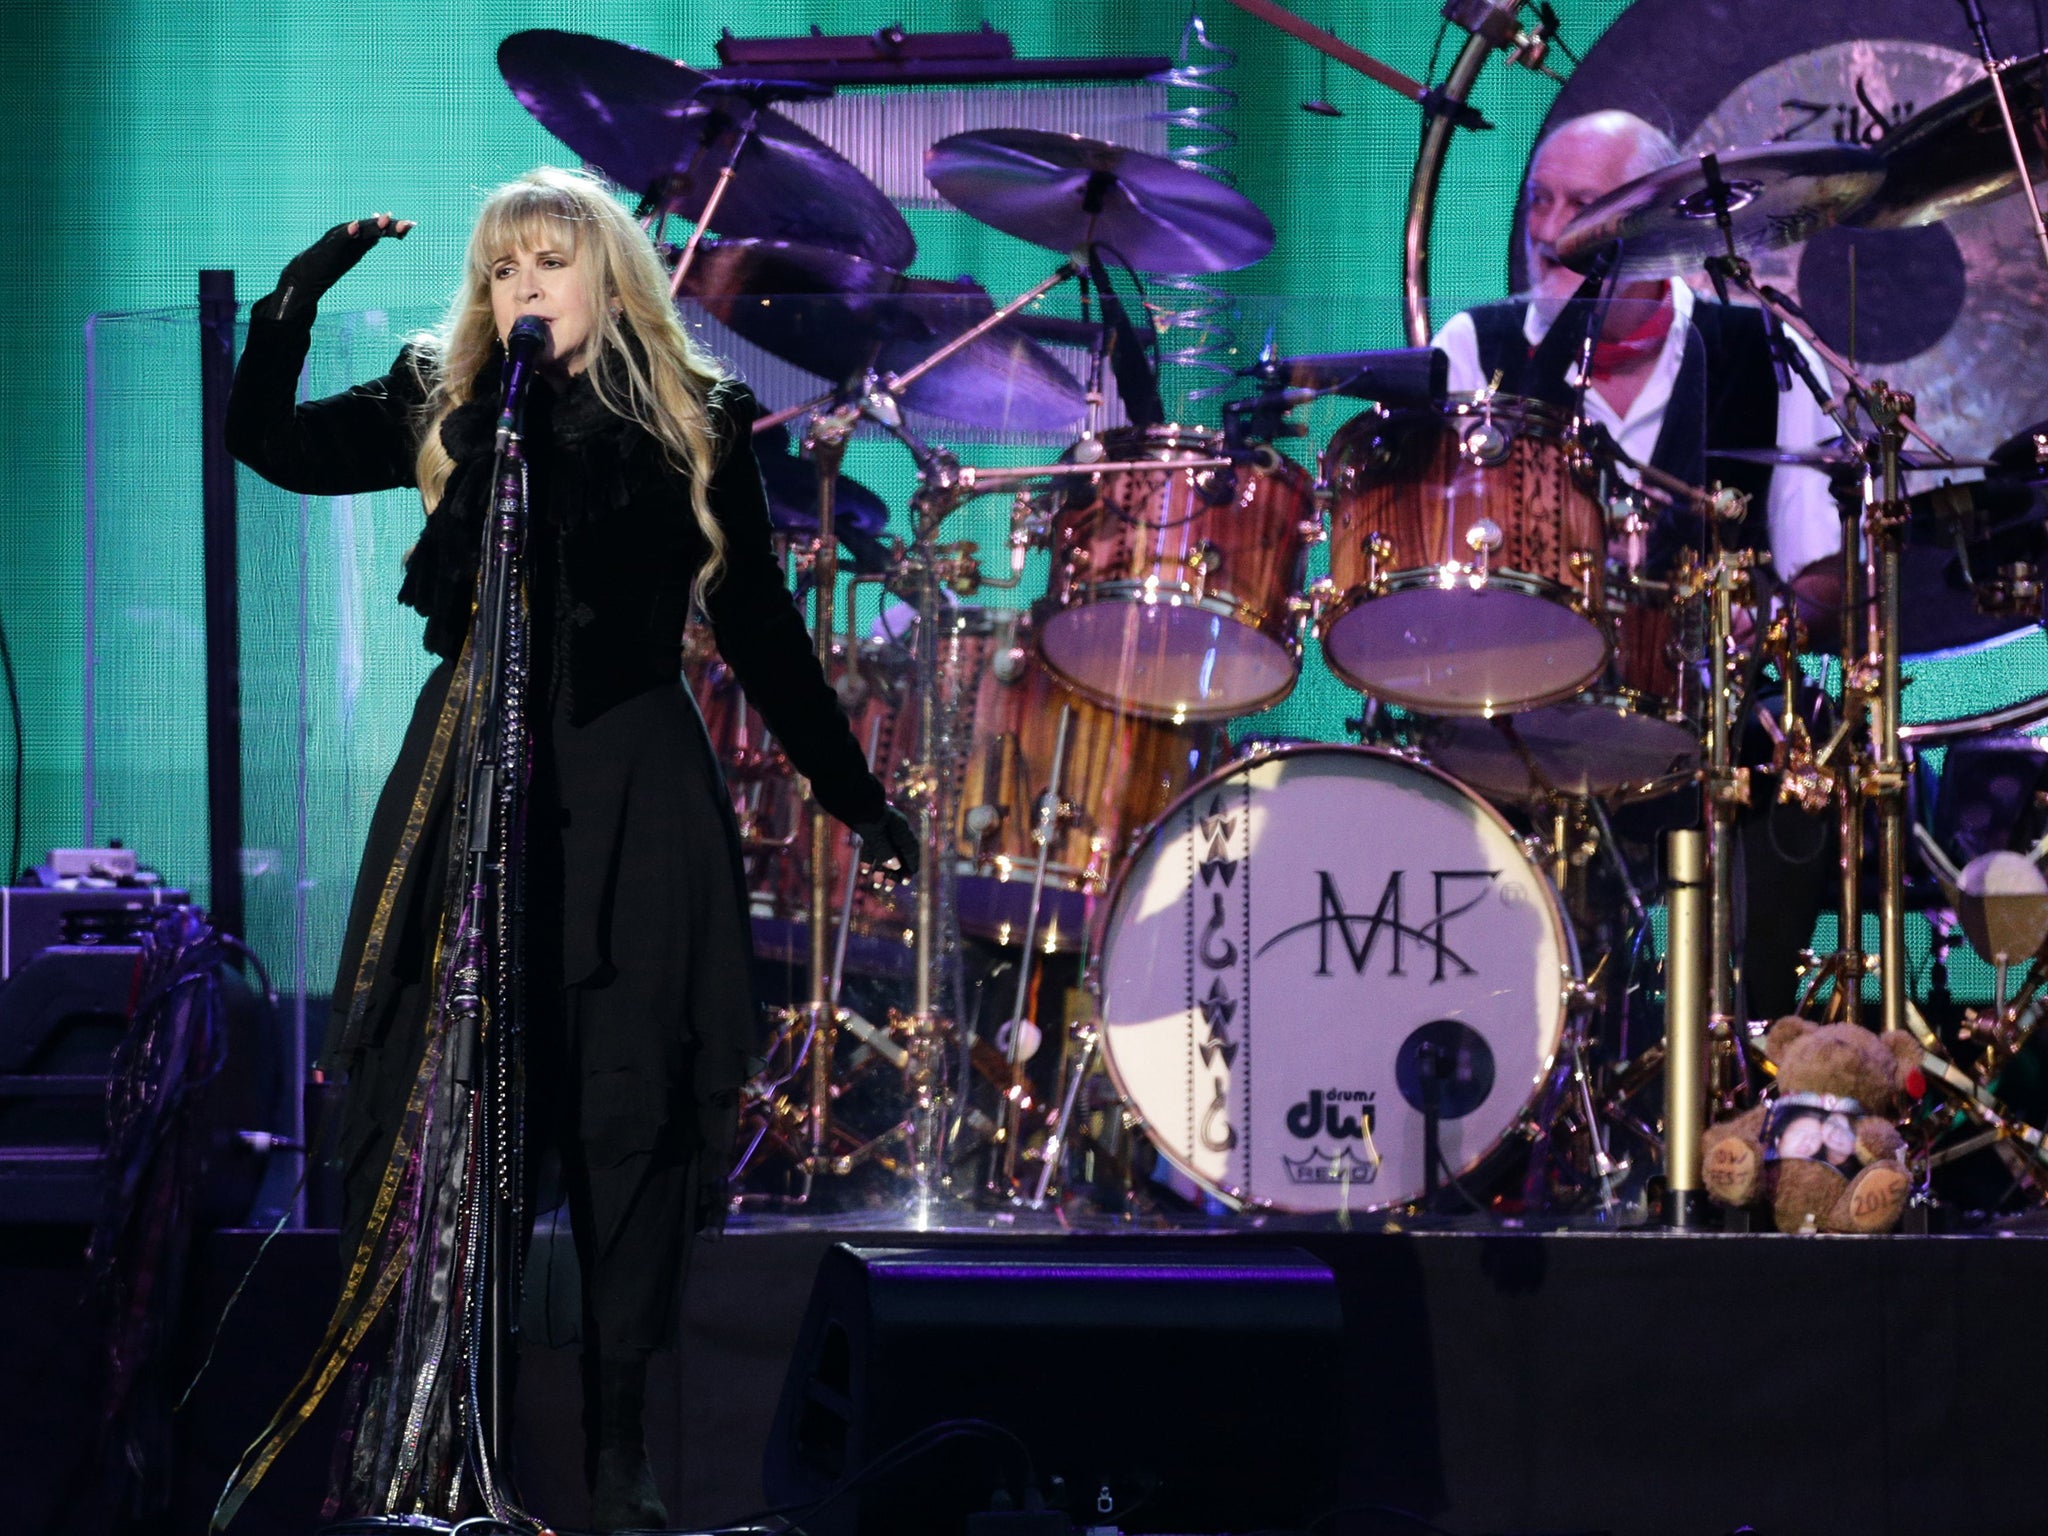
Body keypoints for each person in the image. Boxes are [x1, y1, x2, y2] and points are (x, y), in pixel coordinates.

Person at [220, 168, 918, 1531]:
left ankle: (618, 1462)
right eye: (500, 271)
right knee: (463, 1102)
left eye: (547, 263)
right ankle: (453, 1451)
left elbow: (763, 629)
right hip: (472, 772)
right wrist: (293, 301)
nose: (521, 290)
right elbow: (272, 447)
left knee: (626, 1113)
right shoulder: (452, 405)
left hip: (635, 785)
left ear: (609, 277)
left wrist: (852, 796)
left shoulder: (693, 415)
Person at [1432, 109, 1844, 1020]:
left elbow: (1823, 574)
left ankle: (1745, 1049)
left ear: (1665, 228)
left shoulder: (1764, 354)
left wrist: (1762, 621)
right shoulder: (1474, 348)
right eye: (1539, 201)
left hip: (1707, 717)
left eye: (1581, 206)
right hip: (1516, 710)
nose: (1548, 232)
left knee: (1807, 743)